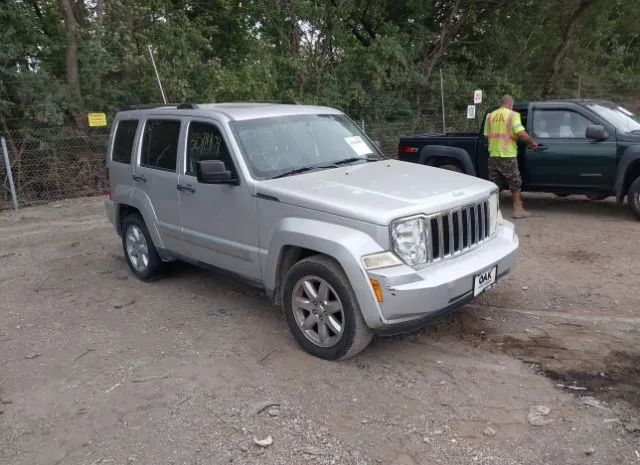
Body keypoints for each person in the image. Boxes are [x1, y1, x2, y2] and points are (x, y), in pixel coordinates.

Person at [484, 95, 539, 219]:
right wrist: (532, 142)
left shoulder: (490, 116)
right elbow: (521, 133)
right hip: (507, 154)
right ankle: (518, 211)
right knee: (515, 182)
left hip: (493, 154)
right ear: (511, 104)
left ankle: (492, 213)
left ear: (500, 103)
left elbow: (487, 135)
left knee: (494, 184)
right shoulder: (513, 115)